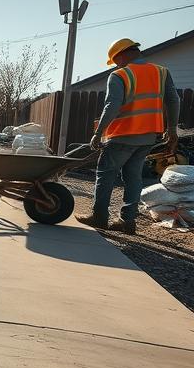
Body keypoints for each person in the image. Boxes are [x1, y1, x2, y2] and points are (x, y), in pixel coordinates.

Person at [76, 38, 180, 234]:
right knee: (133, 178)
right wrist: (172, 129)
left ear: (121, 55)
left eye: (115, 60)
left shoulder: (120, 75)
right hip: (148, 136)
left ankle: (99, 217)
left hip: (122, 134)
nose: (116, 64)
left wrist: (98, 134)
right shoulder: (161, 72)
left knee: (105, 175)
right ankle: (127, 221)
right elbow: (174, 100)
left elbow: (112, 106)